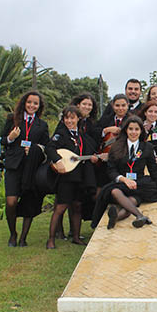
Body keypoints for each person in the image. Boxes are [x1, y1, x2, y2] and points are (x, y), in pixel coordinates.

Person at [91, 116, 157, 229]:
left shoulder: (147, 147)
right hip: (121, 183)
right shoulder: (116, 147)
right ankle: (140, 216)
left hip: (139, 184)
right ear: (126, 130)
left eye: (137, 129)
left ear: (141, 131)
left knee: (131, 201)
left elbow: (153, 170)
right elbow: (111, 170)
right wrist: (124, 180)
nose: (133, 132)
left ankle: (115, 218)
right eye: (130, 129)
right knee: (115, 191)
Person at [0, 91, 49, 247]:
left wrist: (35, 149)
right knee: (11, 202)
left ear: (39, 106)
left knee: (29, 201)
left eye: (35, 103)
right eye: (29, 102)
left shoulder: (42, 125)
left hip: (31, 167)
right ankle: (12, 233)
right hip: (14, 166)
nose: (32, 106)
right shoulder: (12, 119)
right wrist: (11, 138)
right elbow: (3, 140)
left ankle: (23, 238)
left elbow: (47, 147)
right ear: (24, 103)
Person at [46, 106, 98, 249]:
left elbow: (83, 154)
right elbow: (49, 148)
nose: (69, 121)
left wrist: (93, 158)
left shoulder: (80, 136)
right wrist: (57, 161)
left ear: (78, 119)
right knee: (61, 207)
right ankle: (51, 239)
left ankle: (76, 237)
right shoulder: (60, 134)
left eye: (72, 118)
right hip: (66, 177)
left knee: (77, 206)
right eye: (66, 118)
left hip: (80, 176)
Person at [95, 94, 129, 187]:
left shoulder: (132, 119)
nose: (120, 108)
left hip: (123, 160)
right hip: (105, 160)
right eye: (117, 105)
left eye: (123, 105)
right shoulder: (105, 119)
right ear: (113, 106)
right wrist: (106, 130)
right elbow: (95, 133)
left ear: (128, 105)